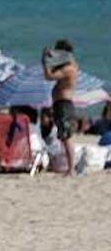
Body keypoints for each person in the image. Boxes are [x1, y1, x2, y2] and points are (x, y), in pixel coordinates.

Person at [44, 39, 80, 177]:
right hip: (61, 104)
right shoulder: (66, 66)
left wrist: (45, 60)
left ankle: (71, 169)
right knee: (63, 136)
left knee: (67, 137)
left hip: (64, 104)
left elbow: (49, 76)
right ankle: (69, 167)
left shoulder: (69, 68)